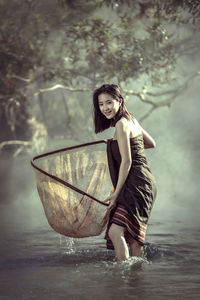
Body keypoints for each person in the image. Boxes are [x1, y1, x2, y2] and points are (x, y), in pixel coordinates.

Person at [93, 84, 157, 262]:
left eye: (109, 102)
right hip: (143, 182)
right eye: (101, 104)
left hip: (136, 183)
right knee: (133, 238)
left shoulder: (121, 125)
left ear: (119, 101)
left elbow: (127, 161)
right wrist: (118, 143)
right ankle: (135, 278)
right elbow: (151, 143)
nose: (105, 108)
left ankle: (124, 274)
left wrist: (115, 194)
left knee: (115, 231)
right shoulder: (131, 120)